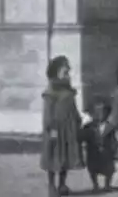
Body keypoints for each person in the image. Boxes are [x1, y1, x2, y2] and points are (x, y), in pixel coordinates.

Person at [41, 55, 84, 197]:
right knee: (54, 157)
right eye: (64, 71)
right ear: (56, 72)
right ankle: (52, 186)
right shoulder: (51, 91)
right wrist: (51, 127)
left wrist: (78, 119)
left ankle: (62, 184)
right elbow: (48, 113)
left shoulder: (69, 90)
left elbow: (73, 107)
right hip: (55, 130)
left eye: (67, 72)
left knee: (65, 156)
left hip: (68, 129)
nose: (67, 73)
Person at [80, 97, 116, 193]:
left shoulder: (110, 127)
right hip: (93, 152)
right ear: (92, 114)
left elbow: (113, 140)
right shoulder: (87, 127)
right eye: (96, 112)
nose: (100, 115)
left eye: (103, 112)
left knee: (109, 169)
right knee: (92, 168)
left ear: (107, 114)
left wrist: (114, 149)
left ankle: (107, 184)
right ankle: (95, 185)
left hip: (106, 153)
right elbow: (83, 138)